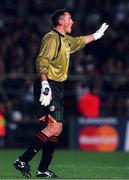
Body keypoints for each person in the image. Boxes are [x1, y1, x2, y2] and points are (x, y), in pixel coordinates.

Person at [13, 9, 108, 178]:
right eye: (70, 19)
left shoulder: (65, 40)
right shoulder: (51, 38)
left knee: (57, 129)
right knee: (54, 127)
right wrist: (44, 83)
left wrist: (96, 35)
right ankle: (22, 160)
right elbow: (42, 60)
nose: (73, 21)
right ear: (61, 22)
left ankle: (42, 169)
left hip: (57, 86)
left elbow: (79, 41)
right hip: (48, 84)